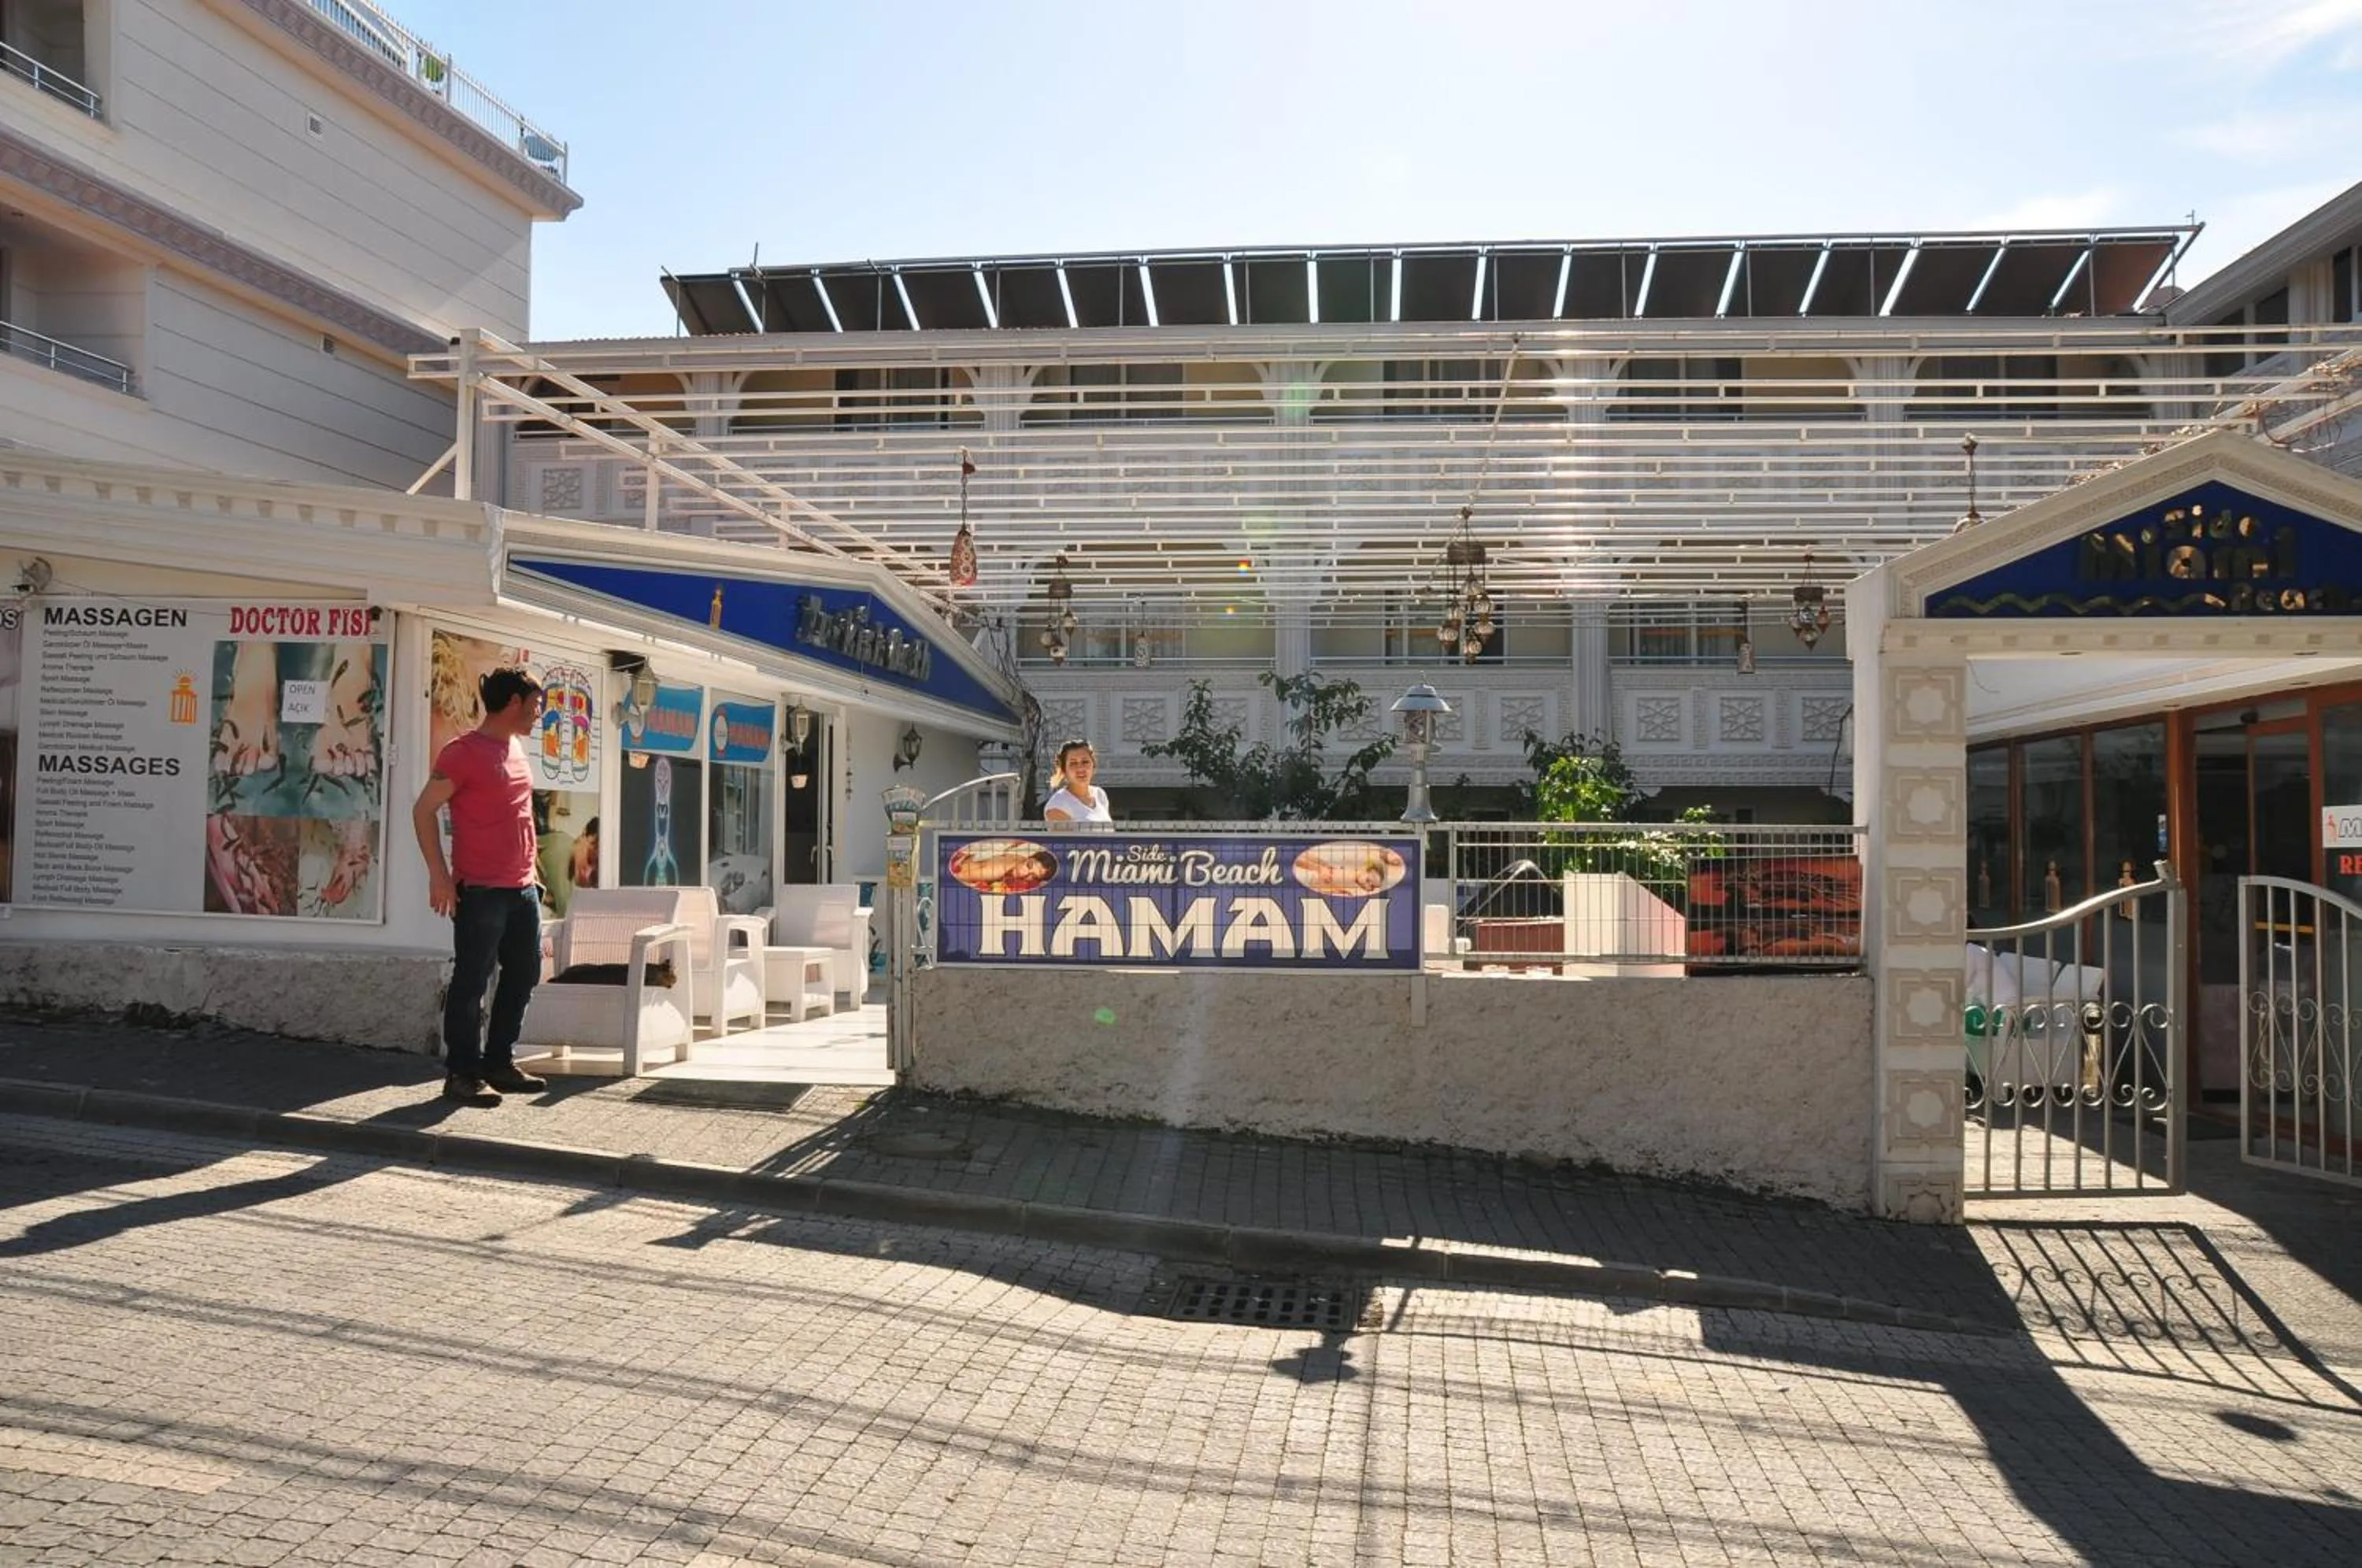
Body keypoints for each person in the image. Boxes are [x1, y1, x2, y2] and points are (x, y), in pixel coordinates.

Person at [413, 666, 549, 1106]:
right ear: (513, 703)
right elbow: (423, 810)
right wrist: (439, 875)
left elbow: (520, 815)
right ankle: (462, 1074)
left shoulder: (517, 748)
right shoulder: (462, 753)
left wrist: (534, 872)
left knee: (525, 973)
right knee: (471, 981)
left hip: (522, 889)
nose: (538, 714)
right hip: (481, 890)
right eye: (535, 706)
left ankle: (499, 1062)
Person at [1042, 738, 1112, 824]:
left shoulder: (1100, 795)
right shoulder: (1058, 804)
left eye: (1085, 762)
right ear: (1064, 770)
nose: (1080, 768)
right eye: (1073, 763)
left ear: (1093, 766)